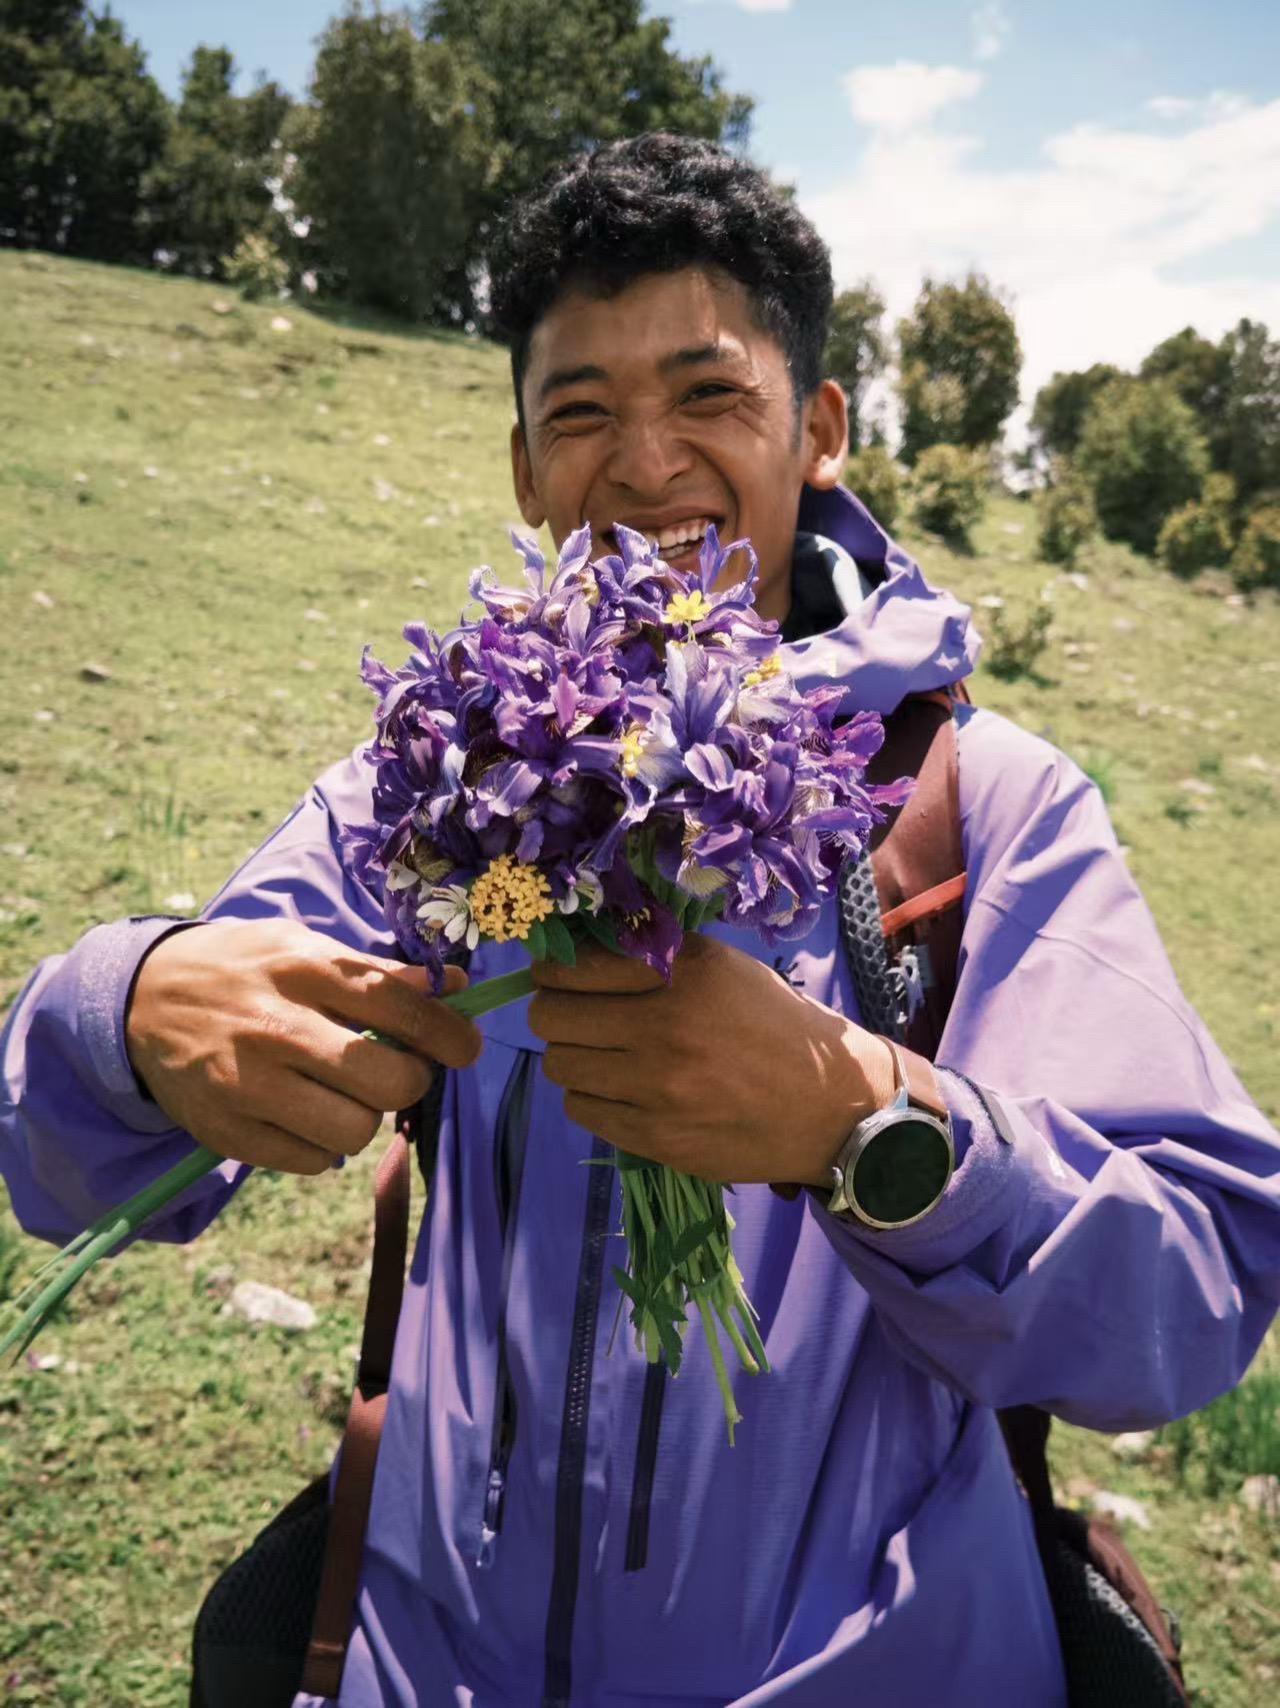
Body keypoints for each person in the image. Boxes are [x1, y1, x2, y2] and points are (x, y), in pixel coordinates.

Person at [3, 133, 1279, 1708]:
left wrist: (863, 1122)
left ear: (819, 428)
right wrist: (128, 1011)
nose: (646, 460)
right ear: (526, 469)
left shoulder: (979, 807)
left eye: (708, 394)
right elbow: (56, 1149)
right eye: (582, 411)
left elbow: (1193, 1301)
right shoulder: (449, 774)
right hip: (426, 1664)